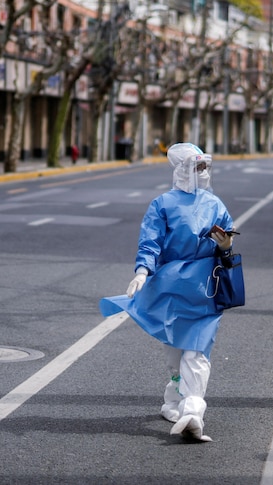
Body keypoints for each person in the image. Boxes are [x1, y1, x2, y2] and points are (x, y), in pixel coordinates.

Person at [99, 143, 235, 442]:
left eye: (205, 167)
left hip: (205, 289)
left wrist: (225, 246)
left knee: (197, 350)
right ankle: (174, 399)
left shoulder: (215, 204)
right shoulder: (162, 204)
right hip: (170, 286)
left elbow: (228, 241)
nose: (203, 172)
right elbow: (151, 242)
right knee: (174, 346)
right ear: (183, 169)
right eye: (197, 167)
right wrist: (142, 271)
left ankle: (192, 410)